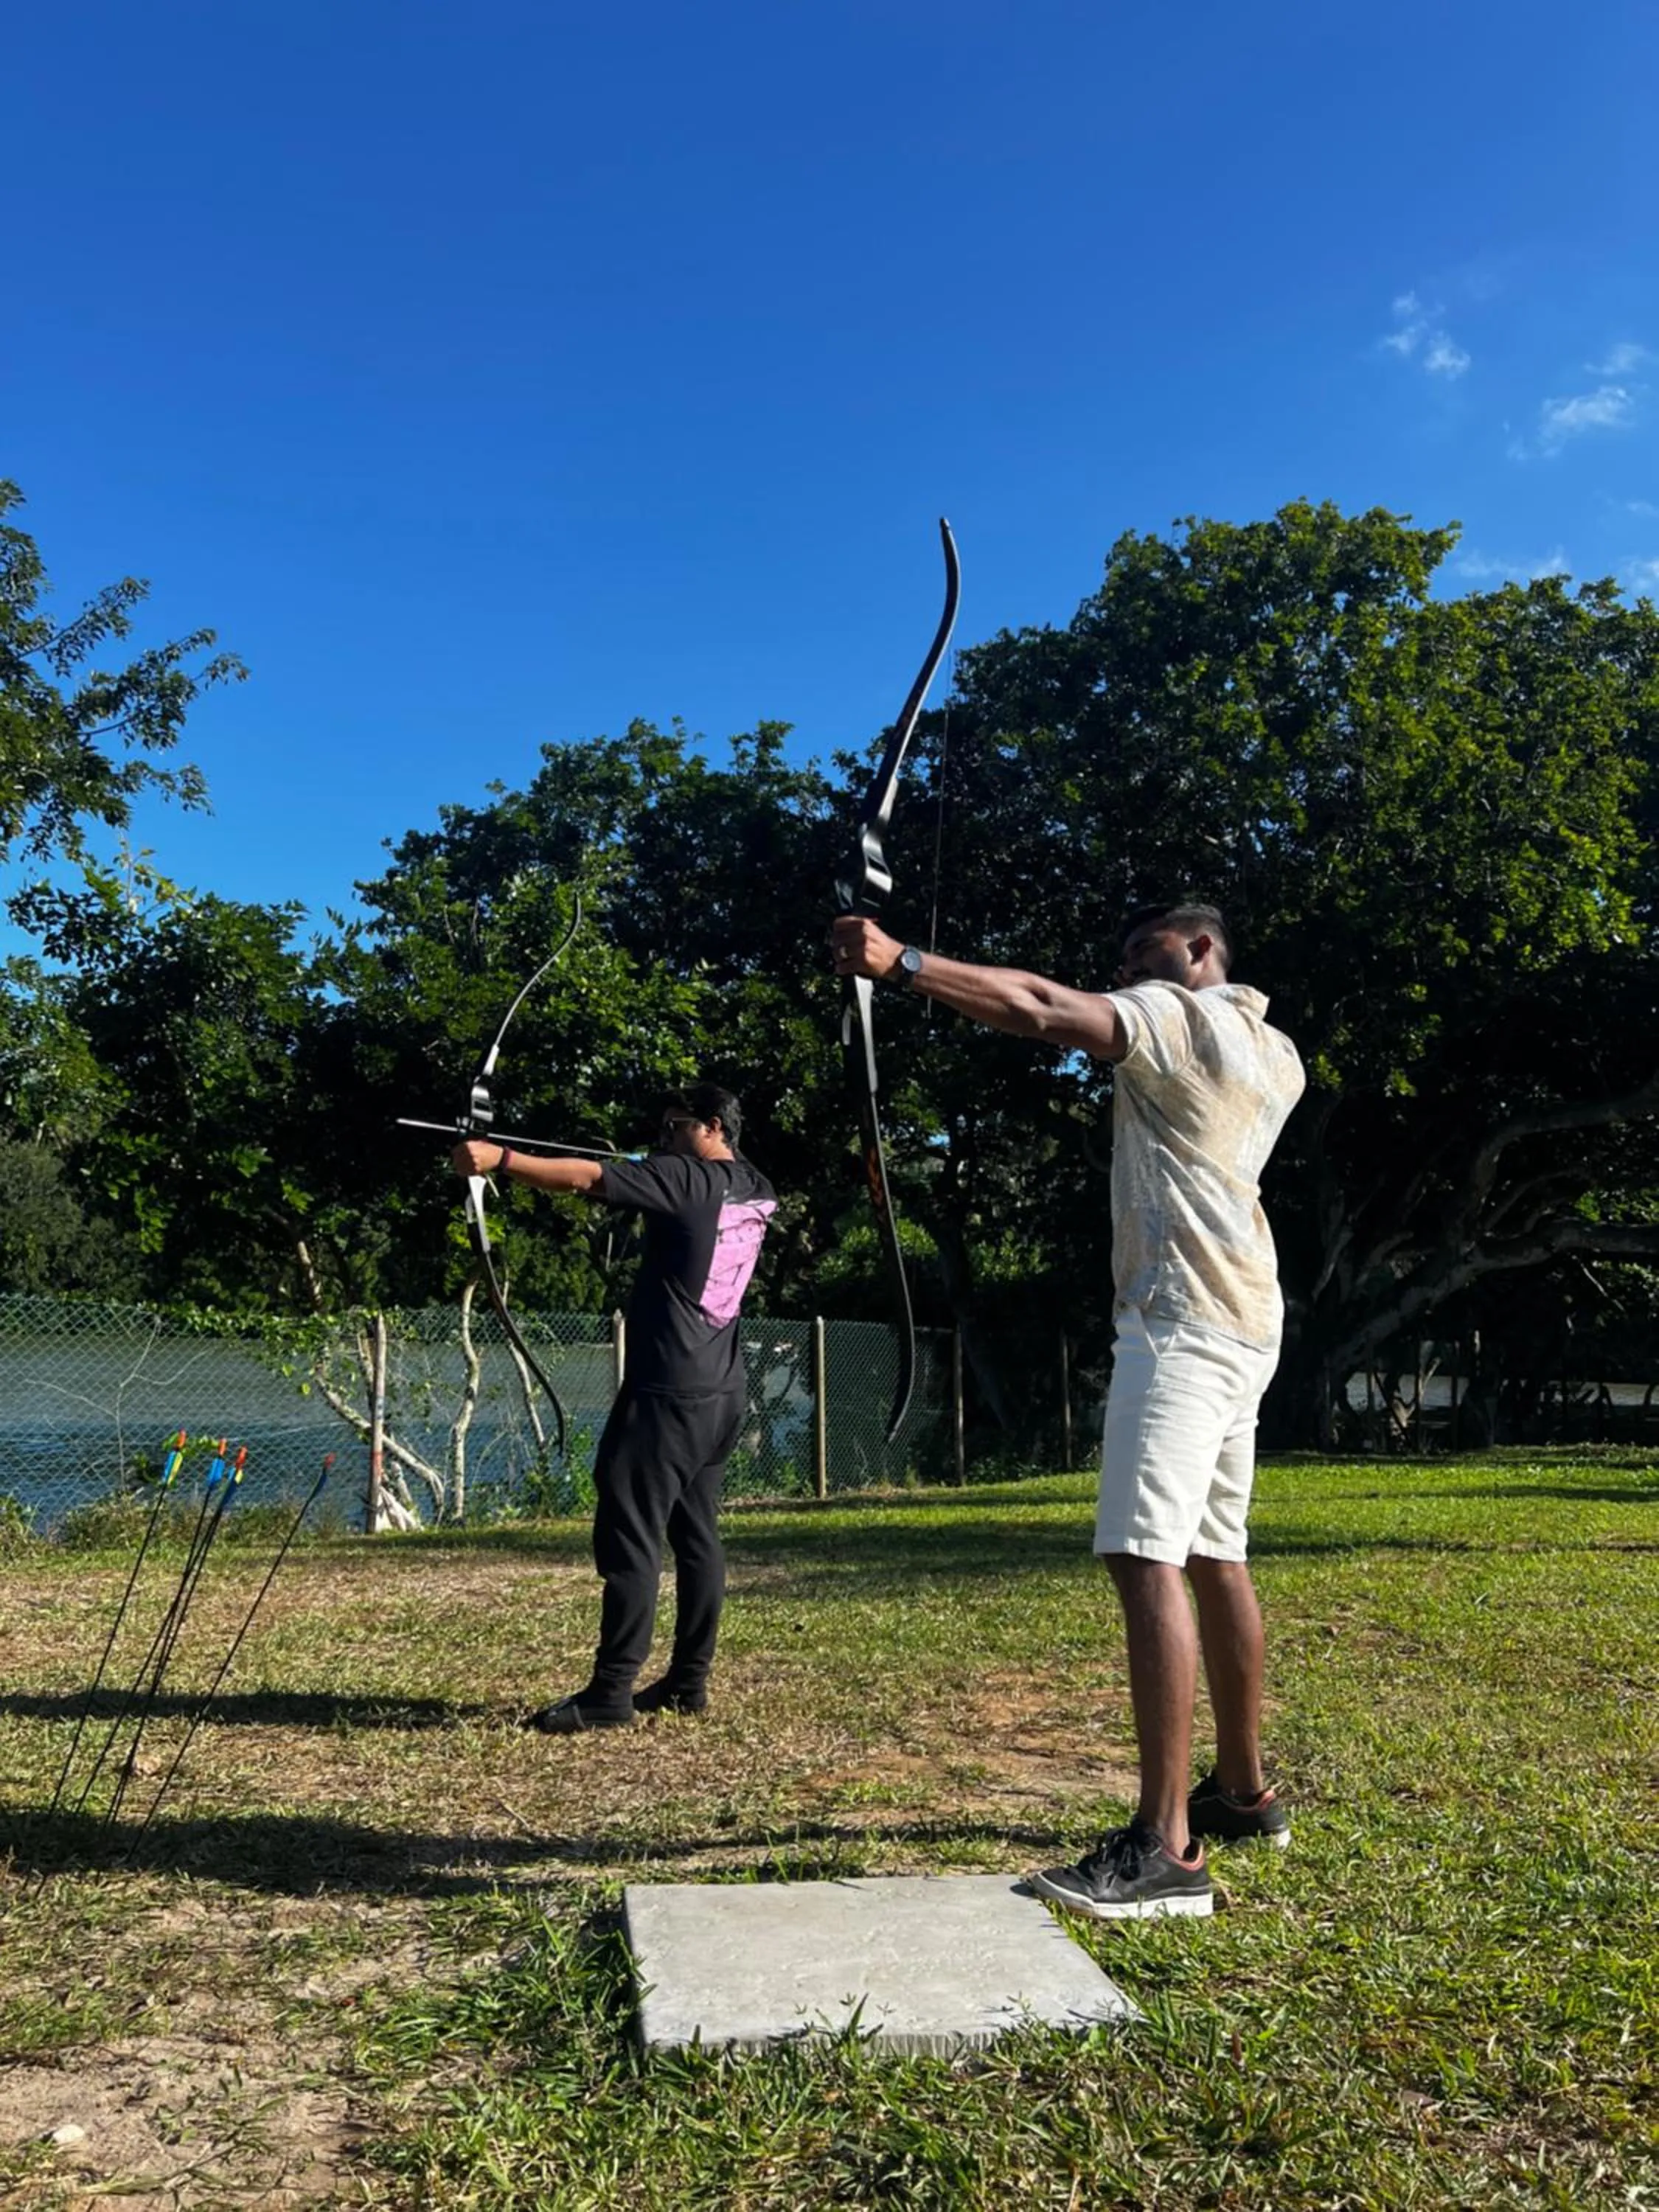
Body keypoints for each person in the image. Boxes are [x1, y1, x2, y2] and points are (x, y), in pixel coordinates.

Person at [830, 901, 1304, 1918]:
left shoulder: (1184, 1018)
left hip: (1180, 1315)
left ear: (1203, 951)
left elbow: (1045, 1009)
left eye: (1147, 954)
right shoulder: (1277, 1052)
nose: (1127, 972)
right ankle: (1243, 1791)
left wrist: (903, 960)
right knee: (1216, 1552)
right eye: (1124, 961)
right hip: (1245, 1313)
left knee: (1144, 1553)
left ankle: (1165, 1848)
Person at [452, 1082, 776, 1734]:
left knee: (630, 1534)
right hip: (721, 1391)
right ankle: (688, 1682)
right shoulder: (756, 1185)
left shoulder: (685, 1179)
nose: (664, 1137)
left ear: (711, 1126)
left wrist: (501, 1161)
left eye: (674, 1126)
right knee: (696, 1535)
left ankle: (610, 1693)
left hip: (667, 1392)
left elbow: (585, 1178)